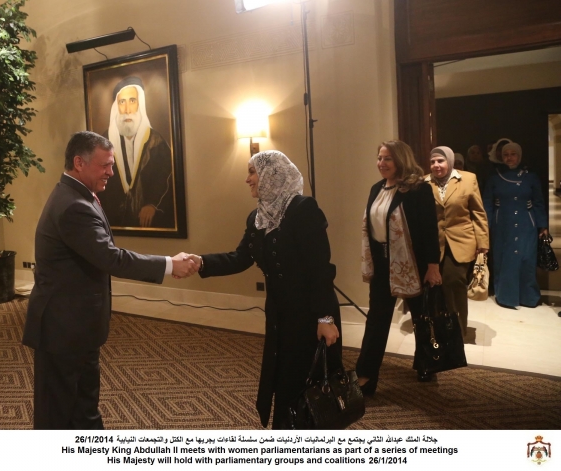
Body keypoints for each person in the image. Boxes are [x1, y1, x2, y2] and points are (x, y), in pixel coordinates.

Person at [22, 131, 198, 429]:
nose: (111, 173)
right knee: (57, 417)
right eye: (105, 165)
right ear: (79, 162)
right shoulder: (73, 205)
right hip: (62, 330)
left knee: (84, 409)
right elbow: (111, 258)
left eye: (112, 165)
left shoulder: (77, 195)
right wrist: (170, 265)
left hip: (76, 327)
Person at [185, 150, 341, 429]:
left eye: (252, 172)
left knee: (309, 384)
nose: (247, 179)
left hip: (310, 313)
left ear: (272, 174)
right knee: (283, 379)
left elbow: (320, 269)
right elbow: (240, 257)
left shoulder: (303, 209)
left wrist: (325, 318)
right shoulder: (257, 218)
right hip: (279, 314)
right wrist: (201, 262)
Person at [356, 140, 442, 395]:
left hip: (413, 263)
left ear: (401, 160)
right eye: (379, 158)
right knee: (376, 320)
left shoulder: (418, 189)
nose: (381, 163)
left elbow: (429, 230)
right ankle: (366, 375)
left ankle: (427, 363)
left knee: (421, 317)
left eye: (388, 159)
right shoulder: (376, 188)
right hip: (382, 263)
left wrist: (433, 266)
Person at [425, 146, 489, 337]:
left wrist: (483, 243)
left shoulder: (468, 179)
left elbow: (478, 212)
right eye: (433, 162)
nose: (436, 165)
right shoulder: (424, 182)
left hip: (462, 241)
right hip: (434, 243)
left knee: (455, 282)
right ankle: (439, 327)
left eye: (440, 161)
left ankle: (458, 330)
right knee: (435, 286)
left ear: (450, 161)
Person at [98, 76, 175, 229]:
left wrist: (152, 204)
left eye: (132, 101)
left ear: (140, 104)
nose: (127, 109)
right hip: (113, 224)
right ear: (116, 106)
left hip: (150, 224)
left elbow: (166, 177)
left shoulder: (156, 142)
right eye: (122, 102)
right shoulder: (103, 142)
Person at [482, 142, 548, 308]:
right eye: (506, 155)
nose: (509, 158)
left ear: (519, 156)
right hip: (502, 224)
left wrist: (542, 225)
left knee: (526, 259)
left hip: (527, 223)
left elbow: (538, 202)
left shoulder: (530, 176)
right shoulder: (494, 177)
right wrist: (486, 226)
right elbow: (487, 203)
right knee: (505, 259)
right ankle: (506, 297)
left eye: (513, 154)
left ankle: (528, 297)